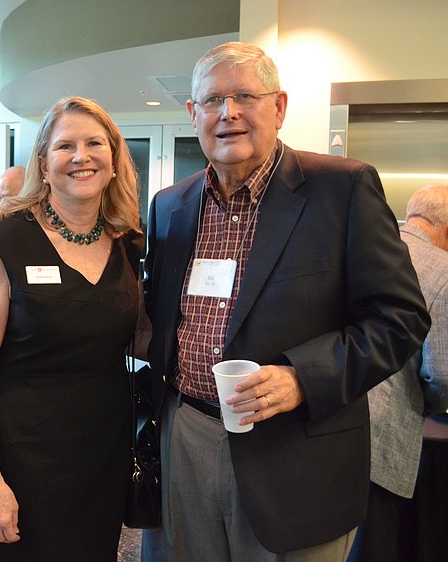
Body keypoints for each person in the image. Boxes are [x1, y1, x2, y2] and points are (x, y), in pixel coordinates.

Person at [141, 42, 430, 561]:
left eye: (245, 96)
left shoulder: (341, 190)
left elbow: (401, 317)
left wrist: (303, 378)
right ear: (193, 114)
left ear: (279, 107)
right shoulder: (170, 206)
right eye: (212, 101)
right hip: (186, 440)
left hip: (294, 455)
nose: (227, 113)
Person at [0, 96, 144, 562]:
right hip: (26, 460)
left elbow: (139, 336)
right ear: (43, 162)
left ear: (114, 156)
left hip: (104, 451)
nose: (81, 156)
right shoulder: (7, 242)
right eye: (65, 146)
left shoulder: (129, 243)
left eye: (94, 143)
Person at [350, 183, 448, 562]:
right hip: (385, 437)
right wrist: (424, 406)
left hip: (329, 424)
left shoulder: (362, 248)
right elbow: (442, 375)